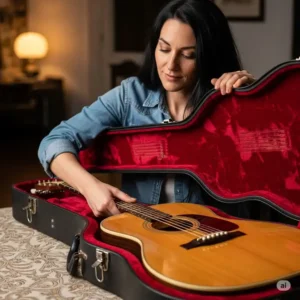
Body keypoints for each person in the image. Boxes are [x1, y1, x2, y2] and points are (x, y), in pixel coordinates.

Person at [38, 0, 255, 218]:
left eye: (188, 55)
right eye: (164, 49)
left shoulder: (228, 101)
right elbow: (54, 141)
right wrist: (91, 187)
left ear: (210, 56)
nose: (171, 65)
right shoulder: (130, 96)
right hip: (144, 233)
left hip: (218, 235)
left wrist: (256, 103)